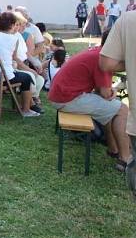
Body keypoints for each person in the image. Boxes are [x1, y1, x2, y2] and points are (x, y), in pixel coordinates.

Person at [50, 34, 132, 172]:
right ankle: (125, 159)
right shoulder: (103, 60)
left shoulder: (97, 52)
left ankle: (113, 149)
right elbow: (105, 93)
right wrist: (115, 91)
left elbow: (101, 92)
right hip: (67, 98)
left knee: (110, 108)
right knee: (122, 110)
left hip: (61, 95)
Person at [99, 12, 136, 194]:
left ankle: (118, 153)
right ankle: (121, 155)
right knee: (119, 109)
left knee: (117, 109)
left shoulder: (129, 19)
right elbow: (104, 91)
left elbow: (106, 64)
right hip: (67, 99)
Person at [0, 12, 39, 117]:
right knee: (26, 78)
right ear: (12, 25)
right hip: (1, 77)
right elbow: (13, 58)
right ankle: (26, 110)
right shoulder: (14, 38)